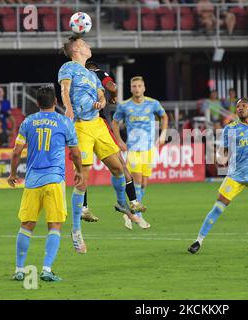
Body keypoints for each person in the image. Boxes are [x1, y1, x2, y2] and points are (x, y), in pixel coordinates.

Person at [58, 35, 144, 251]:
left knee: (118, 168)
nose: (89, 46)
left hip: (97, 124)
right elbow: (64, 89)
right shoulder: (68, 67)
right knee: (82, 176)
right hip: (80, 126)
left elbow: (102, 94)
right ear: (77, 49)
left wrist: (102, 101)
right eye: (85, 44)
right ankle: (76, 231)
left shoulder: (91, 74)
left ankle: (123, 202)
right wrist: (67, 107)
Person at [8, 85, 84, 282]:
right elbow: (75, 153)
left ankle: (18, 269)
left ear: (37, 103)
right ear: (56, 102)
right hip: (54, 180)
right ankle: (46, 270)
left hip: (32, 181)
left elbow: (16, 152)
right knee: (54, 225)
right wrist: (80, 171)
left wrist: (12, 174)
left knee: (26, 225)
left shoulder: (28, 122)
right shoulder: (64, 122)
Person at [188, 98, 248, 254]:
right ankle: (198, 241)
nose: (240, 108)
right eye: (238, 106)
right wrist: (220, 158)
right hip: (235, 175)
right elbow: (223, 150)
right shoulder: (230, 129)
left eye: (243, 106)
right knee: (218, 207)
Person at [81, 61, 140, 223]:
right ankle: (131, 201)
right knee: (119, 165)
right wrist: (113, 96)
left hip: (79, 126)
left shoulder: (75, 77)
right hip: (97, 124)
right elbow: (113, 87)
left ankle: (84, 208)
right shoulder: (98, 74)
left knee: (82, 169)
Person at [112, 76, 168, 229]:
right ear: (131, 89)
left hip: (149, 149)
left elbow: (164, 116)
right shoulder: (125, 106)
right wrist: (119, 141)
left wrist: (163, 134)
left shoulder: (152, 103)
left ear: (144, 88)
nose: (137, 88)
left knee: (143, 183)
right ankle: (137, 216)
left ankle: (127, 212)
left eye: (139, 86)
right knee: (136, 181)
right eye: (134, 86)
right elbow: (115, 122)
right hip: (134, 150)